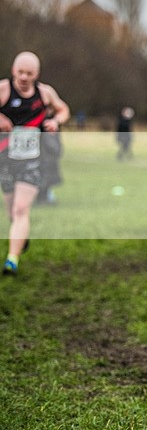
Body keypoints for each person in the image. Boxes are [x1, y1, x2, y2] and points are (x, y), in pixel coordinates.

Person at [0, 52, 70, 275]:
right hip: (6, 159)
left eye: (29, 73)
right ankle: (21, 235)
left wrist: (55, 121)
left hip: (32, 160)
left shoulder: (44, 93)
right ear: (13, 71)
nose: (24, 77)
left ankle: (12, 259)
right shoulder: (3, 90)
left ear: (36, 74)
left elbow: (63, 109)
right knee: (12, 211)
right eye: (20, 72)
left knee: (21, 209)